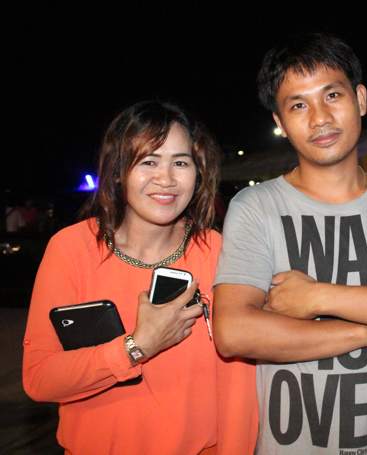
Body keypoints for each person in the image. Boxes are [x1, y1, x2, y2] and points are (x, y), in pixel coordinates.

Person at [212, 33, 367, 454]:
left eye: (332, 95)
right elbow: (234, 331)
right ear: (280, 122)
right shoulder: (257, 206)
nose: (320, 118)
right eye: (298, 105)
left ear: (360, 99)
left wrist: (317, 297)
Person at [22, 101, 257, 454]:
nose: (166, 179)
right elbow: (40, 378)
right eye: (148, 161)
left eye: (180, 162)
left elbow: (240, 382)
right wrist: (136, 346)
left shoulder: (217, 251)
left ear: (198, 173)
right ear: (118, 170)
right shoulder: (71, 249)